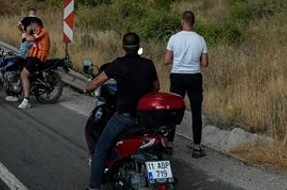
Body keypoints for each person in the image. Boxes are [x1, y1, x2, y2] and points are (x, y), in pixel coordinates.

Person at [84, 31, 159, 190]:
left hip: (125, 117)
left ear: (123, 47)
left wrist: (87, 88)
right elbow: (156, 87)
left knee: (100, 149)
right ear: (139, 47)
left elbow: (97, 81)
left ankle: (93, 187)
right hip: (146, 117)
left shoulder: (119, 64)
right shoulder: (148, 64)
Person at [164, 10, 210, 158]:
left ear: (182, 22)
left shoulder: (174, 38)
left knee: (173, 110)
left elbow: (166, 61)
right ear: (193, 22)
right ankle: (196, 146)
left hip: (177, 76)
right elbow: (205, 63)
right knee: (196, 112)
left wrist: (177, 59)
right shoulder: (200, 39)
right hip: (194, 77)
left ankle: (169, 144)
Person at [14, 17, 50, 109]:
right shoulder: (36, 32)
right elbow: (25, 39)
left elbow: (29, 39)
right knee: (18, 65)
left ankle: (26, 100)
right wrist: (24, 30)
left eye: (31, 24)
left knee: (23, 74)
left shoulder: (42, 31)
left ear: (36, 24)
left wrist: (26, 31)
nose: (30, 26)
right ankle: (16, 92)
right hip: (32, 56)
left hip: (38, 57)